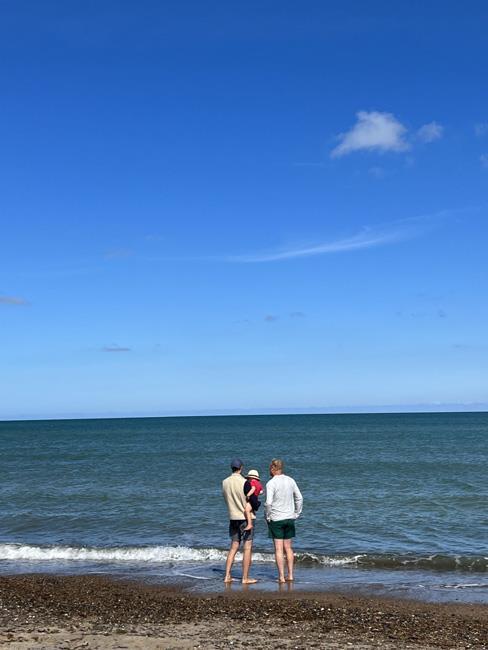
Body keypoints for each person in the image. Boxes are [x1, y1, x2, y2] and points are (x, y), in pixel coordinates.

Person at [265, 458, 303, 583]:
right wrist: (297, 513)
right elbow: (299, 498)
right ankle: (290, 575)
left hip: (276, 519)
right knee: (289, 548)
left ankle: (281, 577)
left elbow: (268, 503)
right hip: (289, 518)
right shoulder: (290, 480)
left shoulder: (271, 483)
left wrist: (267, 516)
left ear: (273, 468)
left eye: (270, 468)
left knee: (278, 549)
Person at [222, 458, 257, 584]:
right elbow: (252, 501)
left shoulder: (225, 482)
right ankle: (245, 578)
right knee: (247, 548)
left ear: (231, 468)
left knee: (233, 547)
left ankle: (227, 575)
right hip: (245, 518)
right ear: (241, 468)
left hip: (233, 517)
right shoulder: (245, 482)